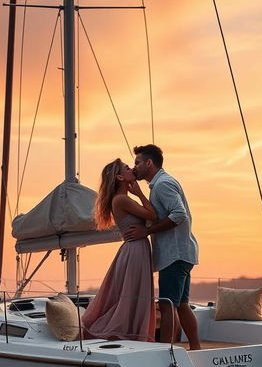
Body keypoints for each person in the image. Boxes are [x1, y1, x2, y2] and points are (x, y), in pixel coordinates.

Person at [125, 144, 201, 350]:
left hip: (174, 254)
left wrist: (147, 232)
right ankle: (195, 348)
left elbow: (179, 214)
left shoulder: (162, 185)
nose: (135, 167)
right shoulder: (161, 184)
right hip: (182, 252)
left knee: (168, 306)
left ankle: (165, 352)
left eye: (137, 163)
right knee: (182, 305)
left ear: (149, 163)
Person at [82, 158, 157, 342]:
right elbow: (153, 215)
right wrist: (140, 194)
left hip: (135, 249)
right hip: (135, 250)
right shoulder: (122, 199)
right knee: (133, 294)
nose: (130, 168)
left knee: (134, 294)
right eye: (126, 167)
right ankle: (128, 332)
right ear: (119, 177)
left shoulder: (122, 199)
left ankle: (134, 332)